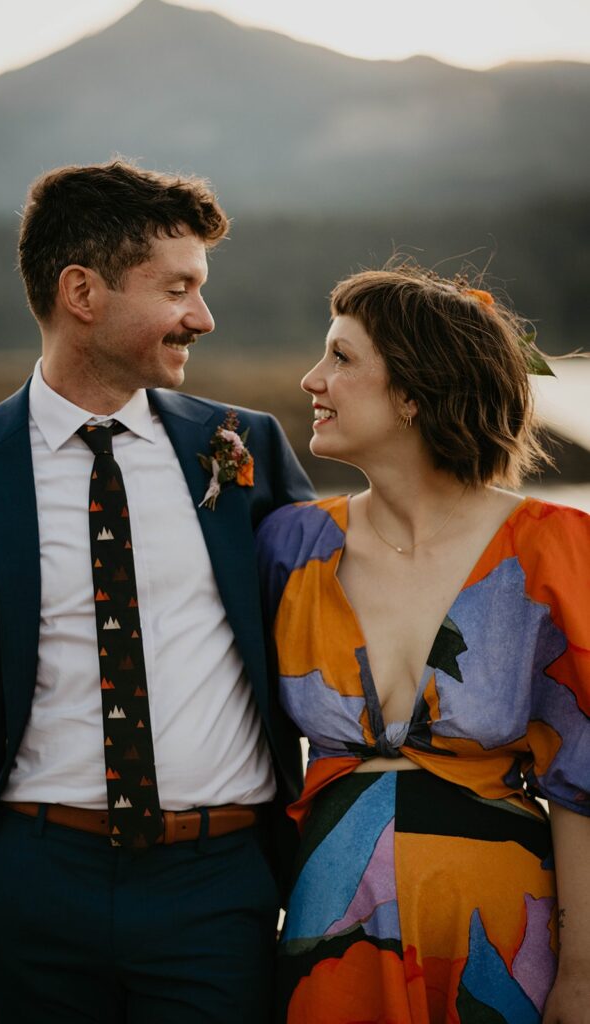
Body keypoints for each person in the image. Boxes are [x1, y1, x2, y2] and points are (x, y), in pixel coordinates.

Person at [0, 159, 315, 1023]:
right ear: (82, 292)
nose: (201, 317)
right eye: (178, 288)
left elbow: (332, 636)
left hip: (219, 887)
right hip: (31, 887)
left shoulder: (245, 450)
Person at [256, 263, 589, 1023]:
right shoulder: (291, 546)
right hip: (331, 931)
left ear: (412, 393)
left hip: (503, 934)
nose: (311, 379)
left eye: (341, 358)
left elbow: (581, 782)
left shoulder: (556, 551)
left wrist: (581, 973)